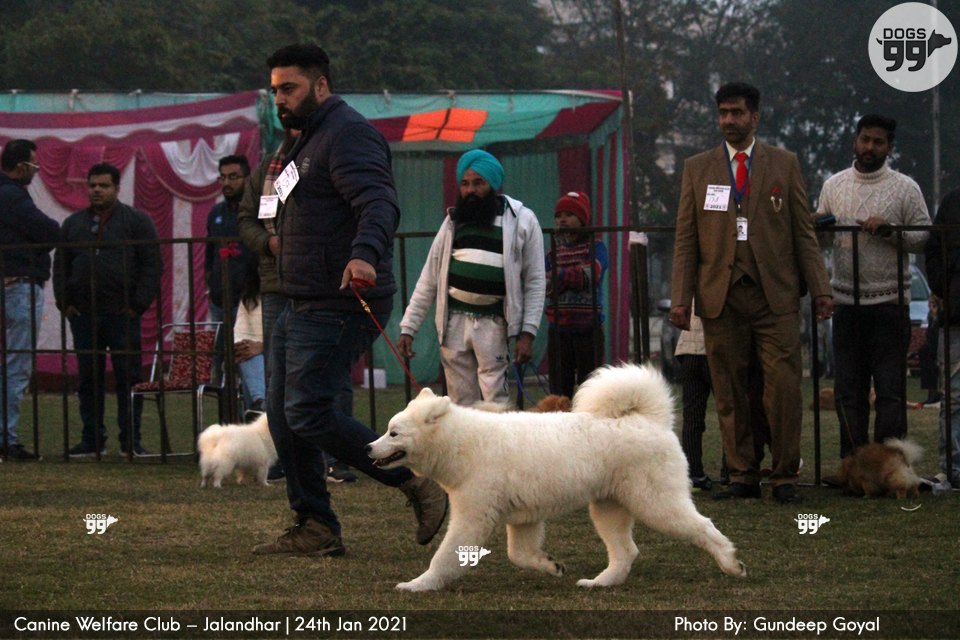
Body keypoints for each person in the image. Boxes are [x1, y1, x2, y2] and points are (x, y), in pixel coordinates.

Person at [253, 43, 447, 557]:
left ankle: (414, 483)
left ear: (321, 85)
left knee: (307, 411)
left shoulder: (348, 134)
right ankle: (316, 526)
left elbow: (378, 202)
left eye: (289, 88)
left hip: (342, 300)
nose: (279, 99)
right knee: (283, 415)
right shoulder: (304, 141)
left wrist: (363, 254)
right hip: (300, 300)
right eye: (274, 90)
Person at [669, 82, 833, 504]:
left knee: (783, 388)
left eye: (737, 112)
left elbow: (804, 233)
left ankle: (784, 475)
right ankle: (741, 474)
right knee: (729, 389)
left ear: (754, 117)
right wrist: (680, 298)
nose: (729, 120)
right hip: (720, 297)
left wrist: (820, 289)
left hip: (774, 296)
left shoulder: (784, 164)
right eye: (723, 112)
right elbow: (686, 239)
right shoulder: (697, 168)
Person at [237, 126, 357, 483]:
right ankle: (286, 456)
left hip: (323, 283)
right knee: (278, 376)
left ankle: (337, 458)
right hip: (277, 283)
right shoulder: (267, 168)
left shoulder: (331, 160)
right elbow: (246, 220)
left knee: (332, 370)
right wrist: (269, 243)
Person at [815, 113, 930, 458]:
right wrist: (818, 226)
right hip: (846, 302)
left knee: (891, 391)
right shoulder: (833, 185)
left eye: (878, 142)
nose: (869, 147)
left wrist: (890, 231)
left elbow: (924, 237)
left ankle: (889, 465)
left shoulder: (906, 188)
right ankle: (853, 464)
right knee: (849, 391)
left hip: (890, 302)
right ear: (855, 141)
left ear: (889, 147)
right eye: (865, 139)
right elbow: (822, 240)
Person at [396, 149, 546, 406]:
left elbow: (535, 281)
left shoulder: (522, 220)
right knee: (459, 403)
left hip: (494, 324)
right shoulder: (453, 221)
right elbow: (429, 277)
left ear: (493, 184)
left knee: (495, 402)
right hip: (453, 323)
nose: (470, 190)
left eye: (478, 183)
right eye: (465, 184)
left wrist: (527, 333)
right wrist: (408, 328)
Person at [54, 163, 161, 457]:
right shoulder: (73, 224)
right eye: (92, 185)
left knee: (129, 377)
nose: (97, 190)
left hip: (122, 313)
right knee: (89, 379)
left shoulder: (137, 222)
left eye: (103, 185)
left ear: (117, 188)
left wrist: (137, 305)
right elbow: (61, 266)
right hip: (83, 313)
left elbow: (152, 266)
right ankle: (92, 439)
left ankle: (131, 441)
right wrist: (65, 302)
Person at [0, 139, 61, 460]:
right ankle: (5, 438)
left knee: (9, 363)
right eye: (34, 166)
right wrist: (35, 248)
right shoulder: (12, 195)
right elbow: (49, 231)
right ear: (22, 166)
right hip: (19, 285)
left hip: (10, 283)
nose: (36, 172)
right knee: (17, 365)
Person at [545, 191, 608, 399]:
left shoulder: (596, 247)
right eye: (559, 215)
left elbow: (591, 275)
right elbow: (544, 286)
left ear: (582, 219)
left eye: (569, 214)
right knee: (558, 390)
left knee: (590, 391)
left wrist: (559, 276)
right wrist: (572, 277)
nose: (562, 220)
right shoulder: (553, 252)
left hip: (588, 329)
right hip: (558, 330)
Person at [205, 155, 252, 388]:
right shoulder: (216, 213)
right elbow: (209, 253)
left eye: (233, 177)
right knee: (222, 357)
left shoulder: (256, 211)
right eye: (223, 177)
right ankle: (225, 403)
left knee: (247, 357)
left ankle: (252, 403)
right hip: (219, 300)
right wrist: (211, 281)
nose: (227, 183)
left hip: (249, 300)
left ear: (247, 178)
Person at [924, 186, 960, 488]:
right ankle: (953, 468)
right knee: (954, 396)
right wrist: (944, 287)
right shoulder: (952, 201)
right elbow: (933, 248)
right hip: (957, 312)